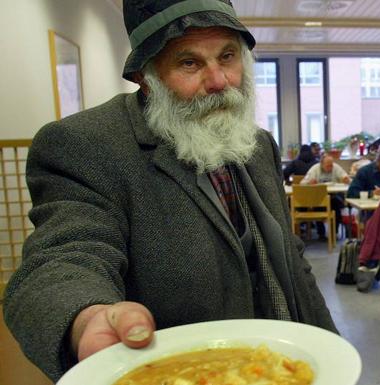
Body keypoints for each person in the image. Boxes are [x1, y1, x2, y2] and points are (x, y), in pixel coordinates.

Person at [2, 1, 336, 381]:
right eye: (189, 63)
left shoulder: (258, 146)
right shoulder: (85, 145)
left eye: (227, 56)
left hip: (279, 366)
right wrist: (88, 315)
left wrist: (331, 350)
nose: (219, 81)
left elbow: (290, 258)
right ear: (147, 76)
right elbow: (66, 256)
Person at [301, 154, 350, 239]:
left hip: (333, 196)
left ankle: (334, 232)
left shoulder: (336, 167)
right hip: (318, 197)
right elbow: (302, 183)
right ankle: (321, 233)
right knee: (317, 206)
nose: (330, 168)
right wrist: (309, 182)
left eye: (331, 165)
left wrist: (346, 179)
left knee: (337, 205)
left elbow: (347, 179)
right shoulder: (315, 169)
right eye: (328, 166)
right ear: (321, 164)